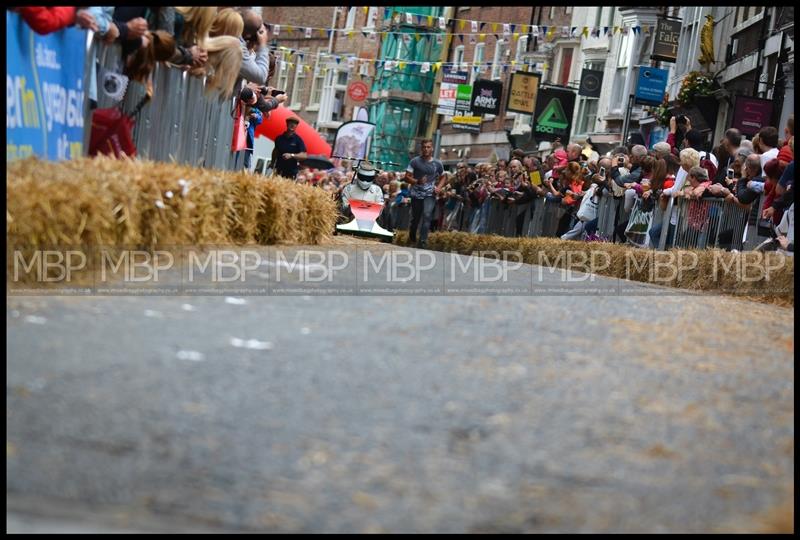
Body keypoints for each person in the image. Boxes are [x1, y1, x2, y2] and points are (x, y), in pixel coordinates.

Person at [405, 139, 446, 249]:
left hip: (429, 194)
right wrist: (417, 181)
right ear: (421, 148)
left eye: (428, 147)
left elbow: (443, 177)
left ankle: (423, 241)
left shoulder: (438, 163)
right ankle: (412, 236)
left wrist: (439, 187)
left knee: (427, 215)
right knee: (416, 219)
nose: (426, 149)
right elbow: (406, 177)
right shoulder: (414, 161)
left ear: (432, 148)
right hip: (416, 194)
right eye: (424, 147)